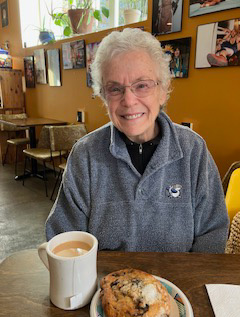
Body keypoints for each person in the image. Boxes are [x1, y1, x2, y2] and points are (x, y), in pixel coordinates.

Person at [46, 28, 229, 253]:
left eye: (141, 85)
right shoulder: (85, 155)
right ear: (104, 97)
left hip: (177, 287)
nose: (129, 100)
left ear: (163, 91)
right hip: (103, 285)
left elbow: (212, 234)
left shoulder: (194, 151)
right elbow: (64, 238)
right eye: (115, 89)